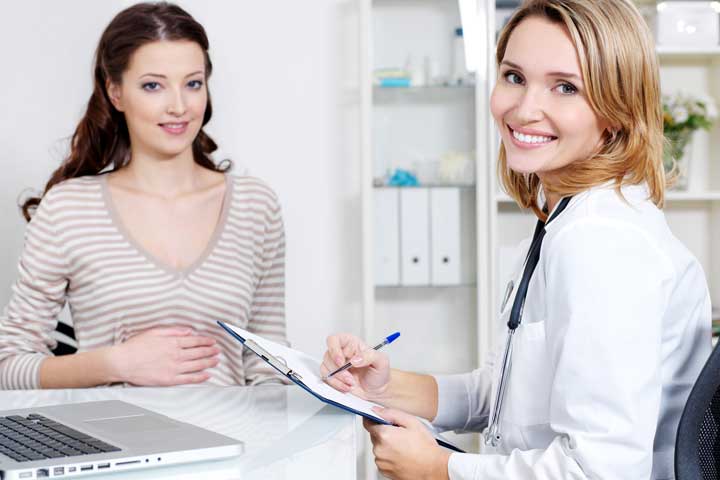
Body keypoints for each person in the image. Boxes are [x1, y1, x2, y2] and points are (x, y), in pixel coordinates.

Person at [321, 0, 711, 478]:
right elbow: (507, 392)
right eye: (514, 77)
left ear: (617, 110)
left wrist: (438, 468)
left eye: (565, 87)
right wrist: (384, 387)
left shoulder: (602, 242)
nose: (524, 110)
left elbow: (599, 470)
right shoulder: (567, 217)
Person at [0, 2, 287, 389]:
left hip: (235, 429)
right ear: (115, 92)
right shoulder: (68, 210)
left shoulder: (255, 205)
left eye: (193, 83)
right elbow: (8, 365)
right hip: (115, 430)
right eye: (153, 85)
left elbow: (270, 369)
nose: (179, 106)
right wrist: (115, 363)